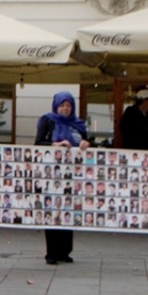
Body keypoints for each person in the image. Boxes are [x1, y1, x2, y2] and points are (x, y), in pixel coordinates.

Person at [36, 92, 91, 265]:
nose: (65, 109)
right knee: (53, 211)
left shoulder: (78, 124)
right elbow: (38, 143)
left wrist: (85, 144)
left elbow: (87, 142)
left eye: (68, 106)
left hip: (72, 174)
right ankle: (51, 252)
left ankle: (64, 251)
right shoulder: (47, 120)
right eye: (62, 105)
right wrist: (57, 145)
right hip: (52, 174)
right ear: (56, 106)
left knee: (69, 209)